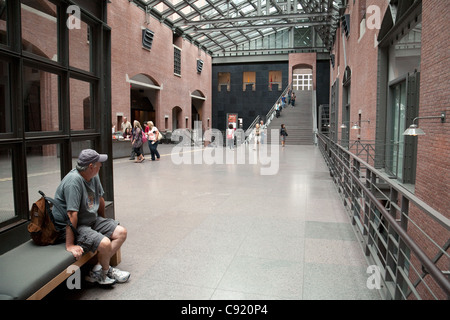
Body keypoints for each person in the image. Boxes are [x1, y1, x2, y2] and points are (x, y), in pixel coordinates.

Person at [52, 149, 130, 286]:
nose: (101, 165)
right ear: (91, 166)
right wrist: (70, 245)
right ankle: (104, 272)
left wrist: (104, 223)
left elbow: (100, 199)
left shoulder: (93, 175)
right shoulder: (73, 181)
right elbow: (71, 215)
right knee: (105, 243)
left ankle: (97, 270)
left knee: (121, 232)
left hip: (89, 219)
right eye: (99, 163)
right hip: (72, 226)